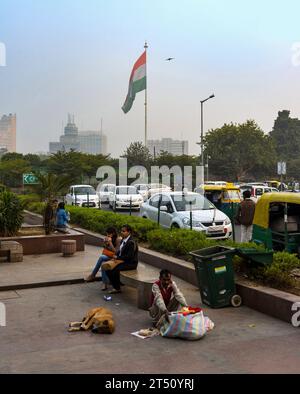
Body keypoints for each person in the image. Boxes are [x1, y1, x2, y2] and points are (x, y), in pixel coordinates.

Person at [104, 224, 138, 294]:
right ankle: (117, 284)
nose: (122, 232)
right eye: (121, 231)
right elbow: (120, 250)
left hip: (130, 263)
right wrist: (115, 256)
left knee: (114, 271)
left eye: (124, 231)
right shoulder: (123, 239)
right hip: (122, 261)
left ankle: (117, 288)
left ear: (129, 232)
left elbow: (129, 256)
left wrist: (118, 257)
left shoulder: (131, 242)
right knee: (107, 268)